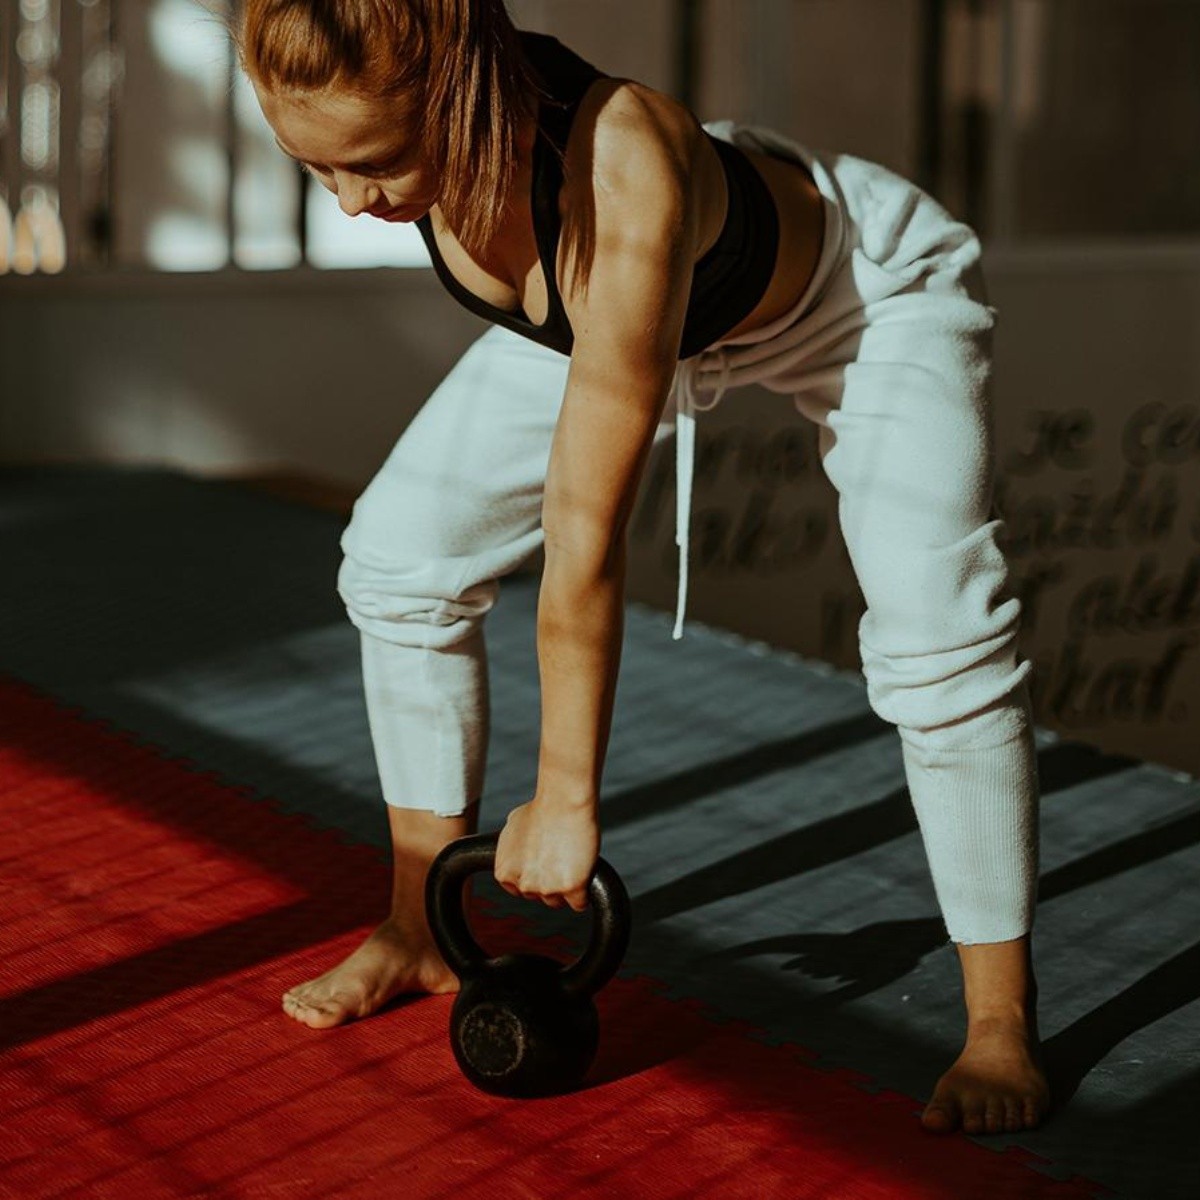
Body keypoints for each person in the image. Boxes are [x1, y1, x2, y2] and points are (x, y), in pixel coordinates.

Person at [236, 0, 1050, 1136]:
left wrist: (566, 797)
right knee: (396, 562)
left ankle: (1000, 1024)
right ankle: (422, 929)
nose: (351, 203)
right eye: (311, 166)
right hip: (639, 315)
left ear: (467, 95)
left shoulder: (621, 178)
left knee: (938, 639)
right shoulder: (413, 149)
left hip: (861, 300)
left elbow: (584, 532)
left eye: (373, 165)